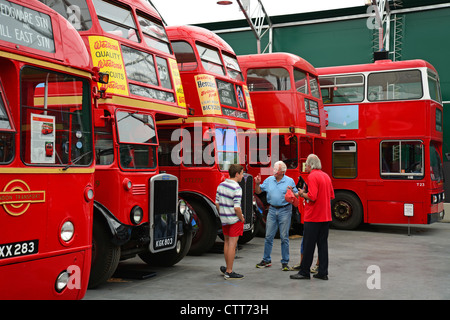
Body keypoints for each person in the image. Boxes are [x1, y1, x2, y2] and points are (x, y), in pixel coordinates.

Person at [291, 154, 334, 280]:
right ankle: (323, 272)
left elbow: (312, 196)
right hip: (325, 216)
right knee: (323, 245)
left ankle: (304, 271)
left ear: (310, 165)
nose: (306, 168)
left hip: (313, 216)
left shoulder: (312, 176)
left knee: (309, 245)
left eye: (306, 166)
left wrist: (302, 194)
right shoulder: (326, 176)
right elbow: (331, 195)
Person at [255, 161, 298, 271]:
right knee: (268, 236)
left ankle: (285, 262)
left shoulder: (290, 181)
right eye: (273, 169)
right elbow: (258, 191)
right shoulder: (269, 180)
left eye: (276, 169)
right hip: (272, 210)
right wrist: (257, 183)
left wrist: (292, 192)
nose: (274, 171)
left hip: (285, 210)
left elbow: (297, 194)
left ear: (282, 172)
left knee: (284, 237)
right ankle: (266, 260)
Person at [216, 164, 245, 280]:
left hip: (224, 219)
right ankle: (229, 271)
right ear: (237, 174)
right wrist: (242, 218)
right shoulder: (237, 188)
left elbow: (217, 203)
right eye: (242, 174)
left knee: (227, 242)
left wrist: (223, 213)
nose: (243, 176)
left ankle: (227, 267)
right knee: (233, 244)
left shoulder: (221, 185)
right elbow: (237, 208)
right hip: (234, 219)